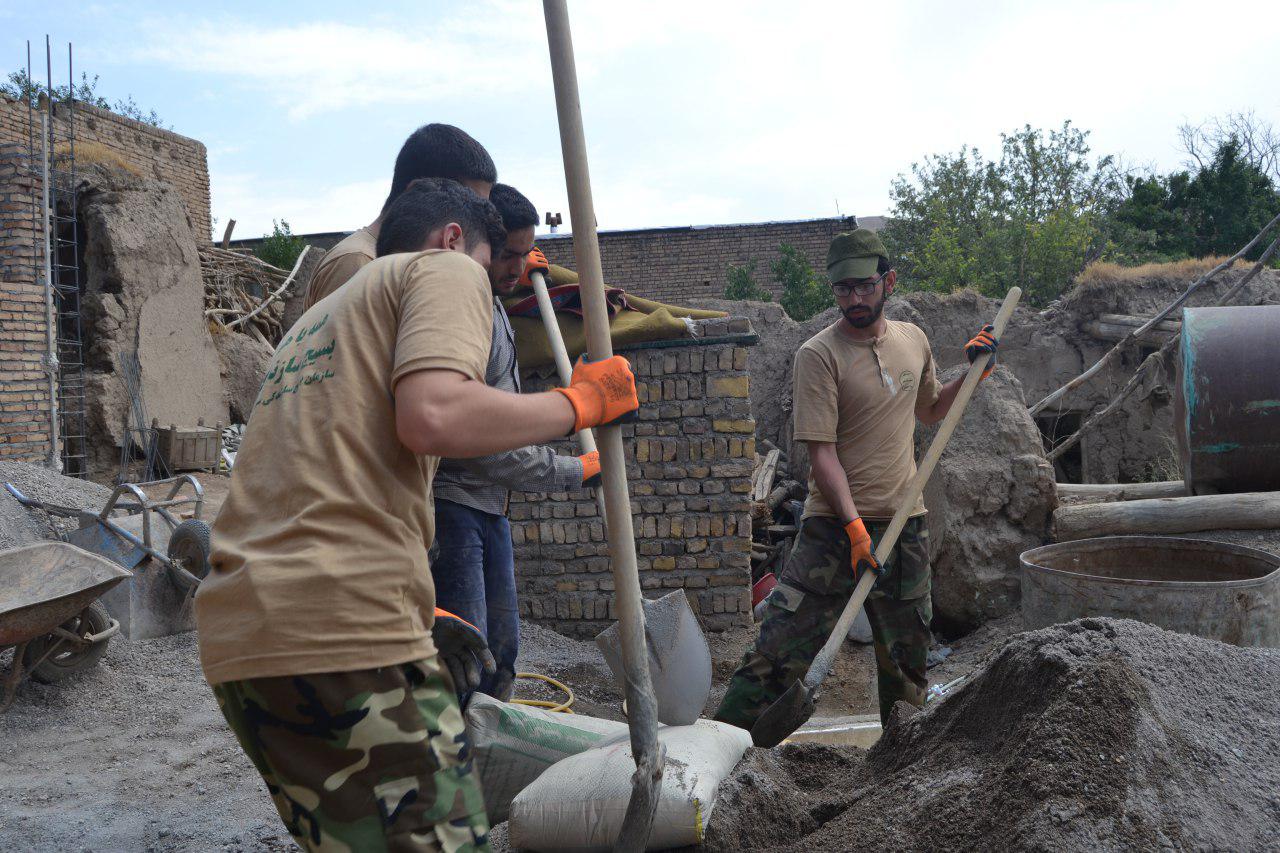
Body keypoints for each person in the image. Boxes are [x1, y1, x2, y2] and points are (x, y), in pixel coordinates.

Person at [194, 177, 640, 852]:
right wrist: (578, 405)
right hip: (342, 627)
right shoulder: (447, 269)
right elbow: (434, 414)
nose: (491, 289)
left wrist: (420, 607)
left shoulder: (323, 320)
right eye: (493, 269)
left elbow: (316, 473)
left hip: (246, 640)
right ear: (454, 239)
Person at [713, 228, 998, 730]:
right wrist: (854, 528)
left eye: (865, 286)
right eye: (843, 290)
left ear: (888, 281)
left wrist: (972, 374)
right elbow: (822, 455)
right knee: (779, 644)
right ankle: (723, 750)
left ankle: (899, 766)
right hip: (832, 529)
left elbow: (930, 410)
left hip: (905, 525)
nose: (855, 299)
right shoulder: (817, 356)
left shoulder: (913, 340)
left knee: (908, 658)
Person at [430, 183, 599, 704]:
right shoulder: (466, 313)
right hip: (454, 507)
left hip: (492, 510)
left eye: (525, 255)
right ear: (476, 243)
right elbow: (484, 442)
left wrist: (522, 258)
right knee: (465, 661)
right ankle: (453, 772)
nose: (516, 267)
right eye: (506, 254)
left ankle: (492, 764)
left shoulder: (500, 302)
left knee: (503, 654)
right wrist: (574, 470)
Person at [304, 123, 498, 309]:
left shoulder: (402, 263)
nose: (476, 225)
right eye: (468, 205)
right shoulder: (358, 263)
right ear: (420, 191)